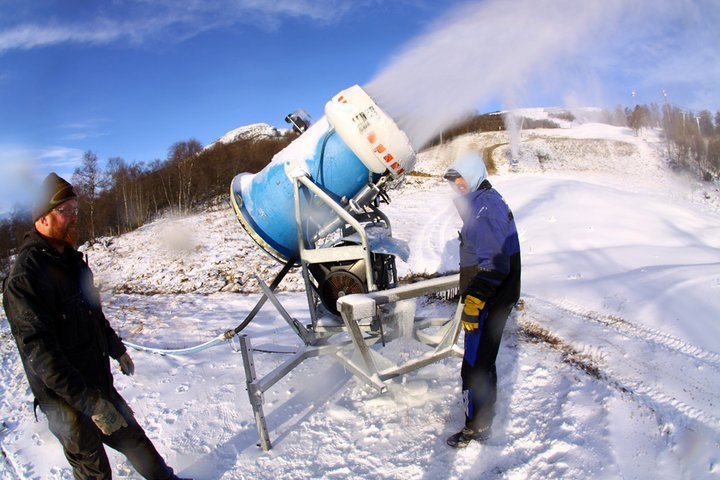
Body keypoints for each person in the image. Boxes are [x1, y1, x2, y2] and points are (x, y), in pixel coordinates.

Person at [2, 173, 189, 479]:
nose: (74, 218)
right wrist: (92, 405)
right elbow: (41, 356)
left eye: (76, 210)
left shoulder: (73, 261)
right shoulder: (26, 278)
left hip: (97, 384)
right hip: (67, 404)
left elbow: (93, 315)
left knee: (136, 442)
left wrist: (117, 349)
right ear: (42, 218)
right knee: (95, 471)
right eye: (66, 211)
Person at [443, 152, 521, 449]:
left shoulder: (484, 209)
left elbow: (494, 265)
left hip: (488, 300)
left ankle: (475, 427)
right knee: (484, 361)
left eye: (460, 179)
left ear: (473, 175)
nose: (457, 185)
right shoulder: (484, 201)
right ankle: (483, 418)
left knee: (474, 365)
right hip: (495, 298)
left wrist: (475, 302)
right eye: (453, 182)